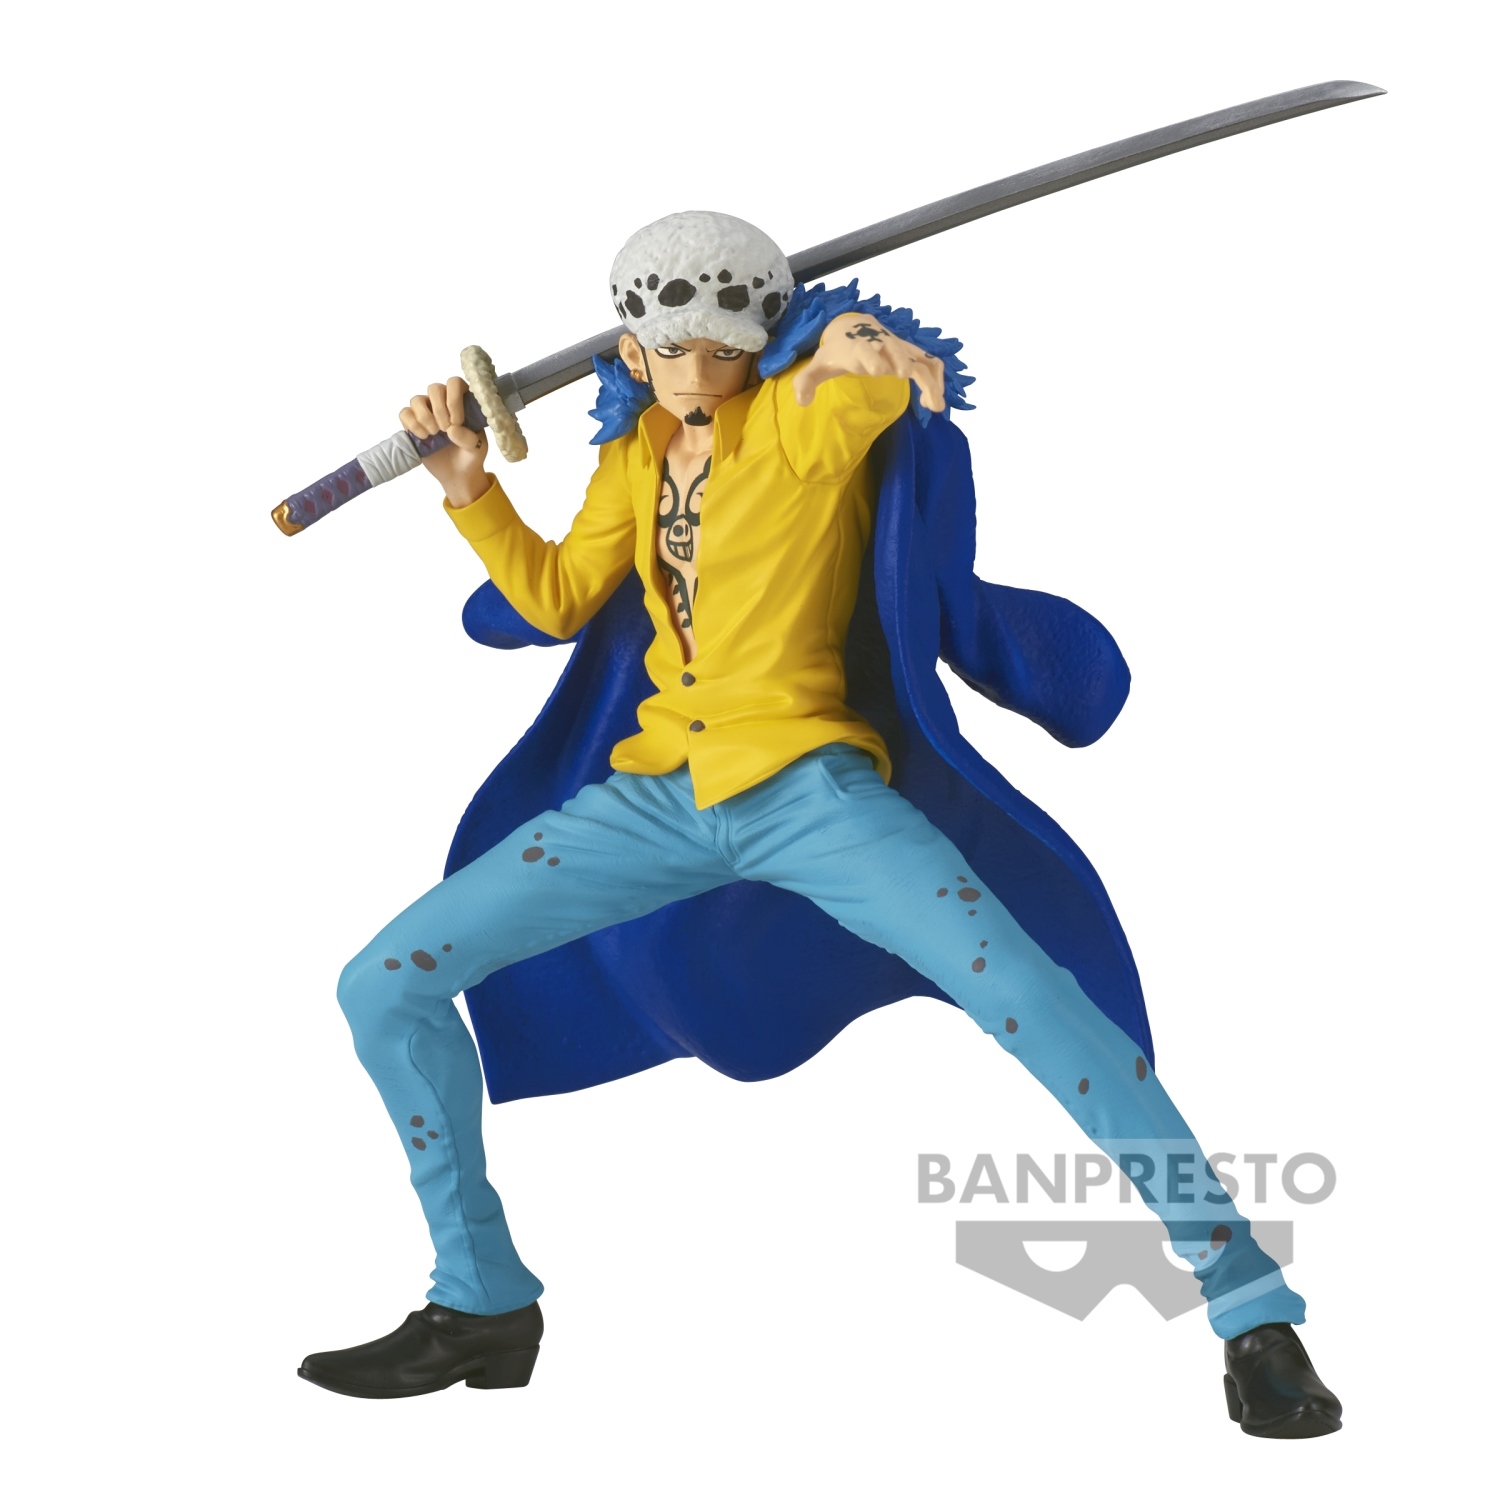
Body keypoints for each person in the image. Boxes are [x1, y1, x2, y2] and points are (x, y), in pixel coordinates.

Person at [298, 211, 1341, 1437]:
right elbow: (560, 596)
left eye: (725, 346)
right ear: (631, 353)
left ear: (761, 339)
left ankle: (1250, 1307)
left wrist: (860, 345)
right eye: (672, 349)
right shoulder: (632, 459)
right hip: (653, 800)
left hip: (815, 795)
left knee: (1036, 997)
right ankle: (480, 1298)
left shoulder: (798, 424)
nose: (699, 371)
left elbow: (859, 384)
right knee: (384, 983)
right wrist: (470, 490)